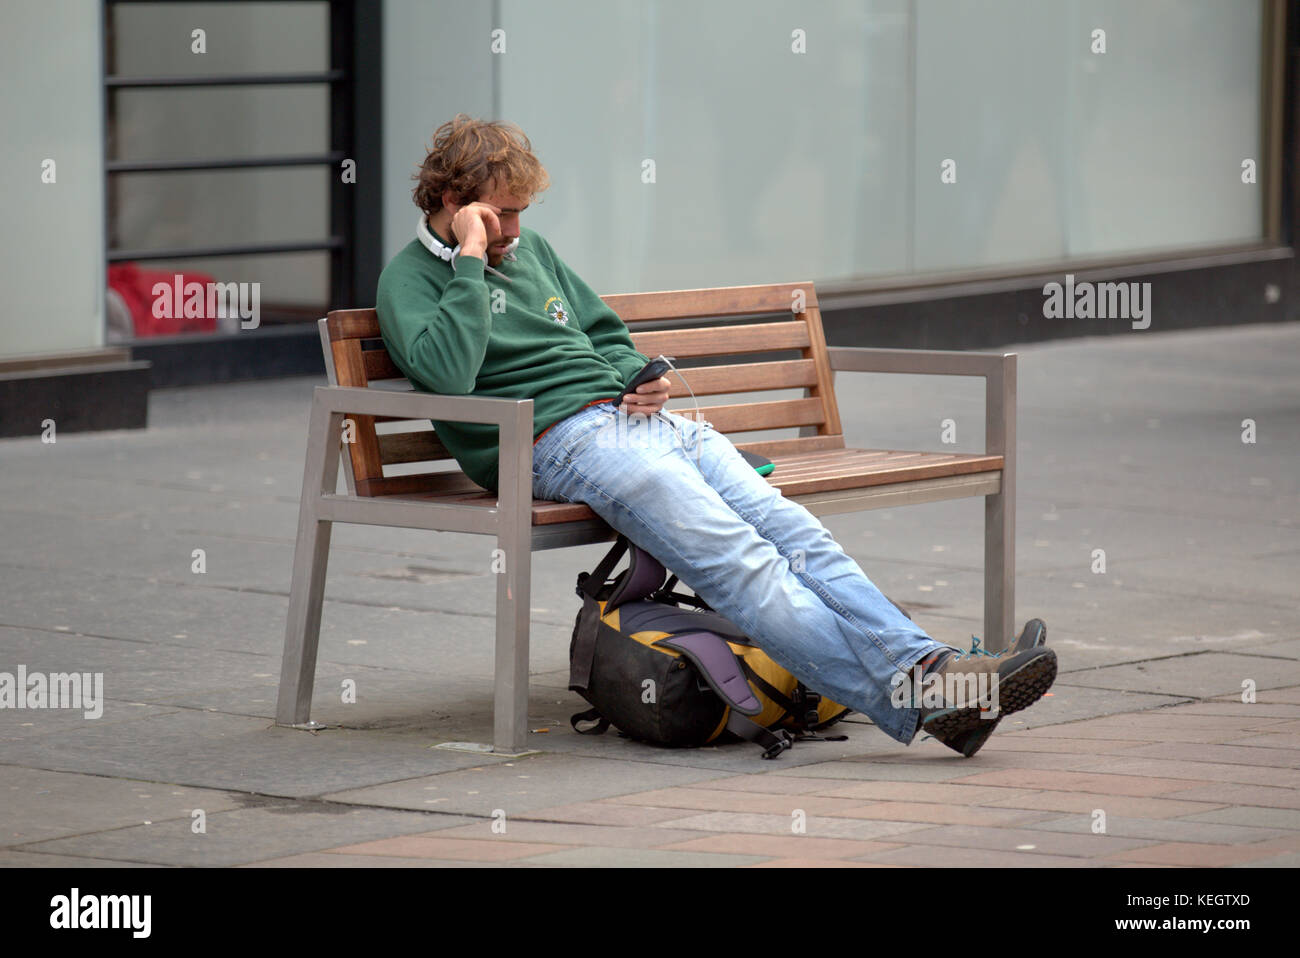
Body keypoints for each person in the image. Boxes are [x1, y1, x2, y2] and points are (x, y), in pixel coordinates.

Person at [376, 114, 1057, 757]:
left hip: (644, 423)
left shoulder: (535, 251)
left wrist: (638, 380)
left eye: (522, 212)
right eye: (500, 213)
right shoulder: (409, 281)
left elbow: (604, 335)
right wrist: (468, 257)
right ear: (452, 200)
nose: (514, 229)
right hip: (566, 443)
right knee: (744, 565)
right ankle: (928, 704)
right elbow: (448, 374)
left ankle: (930, 670)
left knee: (799, 537)